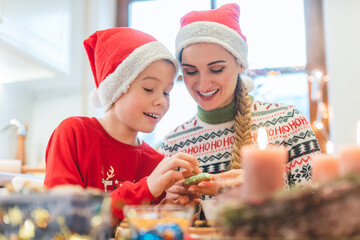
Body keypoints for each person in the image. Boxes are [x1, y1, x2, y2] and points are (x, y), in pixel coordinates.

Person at [159, 3, 321, 201]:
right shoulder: (173, 145)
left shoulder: (288, 123)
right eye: (190, 71)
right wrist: (175, 206)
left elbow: (317, 209)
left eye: (216, 69)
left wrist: (261, 187)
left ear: (240, 64)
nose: (203, 84)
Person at [44, 27, 201, 221]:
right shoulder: (74, 133)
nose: (161, 101)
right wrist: (146, 188)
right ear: (116, 89)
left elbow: (142, 228)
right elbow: (63, 214)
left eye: (167, 91)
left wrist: (169, 209)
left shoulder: (155, 162)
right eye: (149, 88)